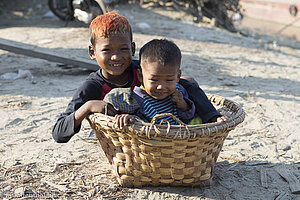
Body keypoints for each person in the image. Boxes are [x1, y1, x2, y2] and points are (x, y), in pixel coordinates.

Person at [52, 11, 140, 143]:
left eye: (123, 49)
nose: (116, 57)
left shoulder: (142, 72)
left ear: (132, 49)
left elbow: (173, 82)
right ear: (92, 52)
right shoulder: (93, 86)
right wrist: (88, 107)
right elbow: (58, 133)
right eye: (106, 50)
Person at [105, 39, 226, 129]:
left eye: (169, 80)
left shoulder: (179, 91)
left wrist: (183, 105)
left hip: (181, 137)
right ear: (141, 76)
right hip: (154, 140)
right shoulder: (136, 98)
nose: (161, 86)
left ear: (178, 76)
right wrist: (127, 118)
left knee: (198, 120)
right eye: (154, 80)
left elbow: (188, 116)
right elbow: (136, 119)